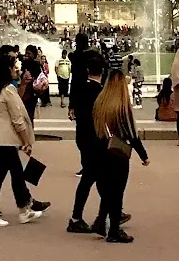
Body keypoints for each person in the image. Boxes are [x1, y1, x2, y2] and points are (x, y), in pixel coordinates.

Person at [0, 45, 47, 227]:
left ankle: (24, 209)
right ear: (7, 70)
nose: (18, 70)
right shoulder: (8, 90)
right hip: (5, 139)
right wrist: (26, 141)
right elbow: (18, 120)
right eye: (15, 68)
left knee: (13, 173)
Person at [91, 68, 148, 243]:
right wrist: (143, 155)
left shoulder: (100, 102)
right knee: (117, 193)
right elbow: (132, 134)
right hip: (117, 154)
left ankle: (101, 221)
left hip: (100, 151)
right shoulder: (122, 107)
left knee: (107, 191)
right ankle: (114, 231)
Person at [68, 50, 108, 234]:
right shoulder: (99, 93)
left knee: (97, 178)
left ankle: (110, 212)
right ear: (102, 71)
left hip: (82, 137)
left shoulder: (80, 87)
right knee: (92, 179)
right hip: (95, 140)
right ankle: (76, 218)